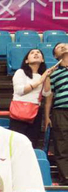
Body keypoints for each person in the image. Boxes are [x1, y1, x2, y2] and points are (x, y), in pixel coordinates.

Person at [45, 43, 68, 184]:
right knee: (61, 144)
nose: (64, 47)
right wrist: (47, 116)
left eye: (65, 44)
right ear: (55, 56)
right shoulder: (53, 73)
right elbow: (49, 97)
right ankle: (66, 177)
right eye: (59, 47)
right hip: (60, 111)